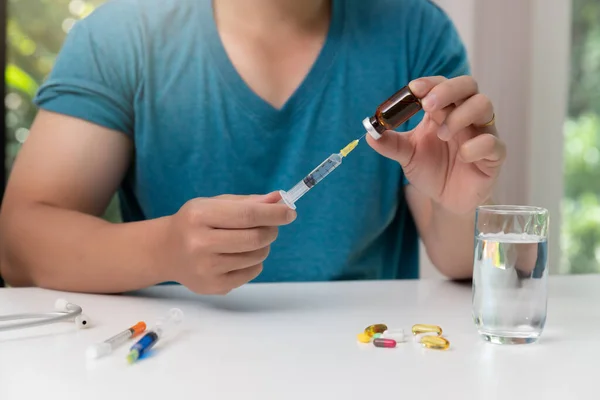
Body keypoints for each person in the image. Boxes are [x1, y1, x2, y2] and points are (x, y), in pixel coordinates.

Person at [0, 0, 506, 294]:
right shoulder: (122, 34)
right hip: (177, 355)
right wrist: (163, 251)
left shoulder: (413, 29)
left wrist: (457, 202)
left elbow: (458, 262)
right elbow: (18, 245)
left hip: (363, 360)